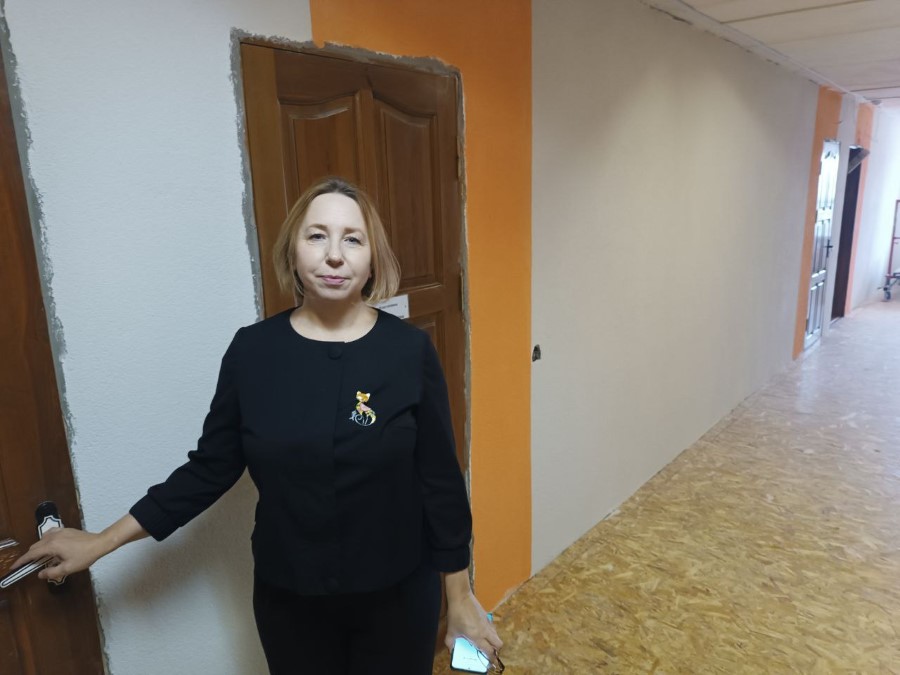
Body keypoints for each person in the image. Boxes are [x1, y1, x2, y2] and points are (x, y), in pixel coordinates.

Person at [12, 176, 503, 674]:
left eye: (353, 239)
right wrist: (101, 541)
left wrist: (459, 595)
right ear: (292, 251)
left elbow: (440, 481)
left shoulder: (409, 351)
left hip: (398, 598)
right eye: (317, 236)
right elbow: (209, 469)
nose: (334, 255)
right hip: (291, 604)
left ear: (373, 258)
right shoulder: (253, 351)